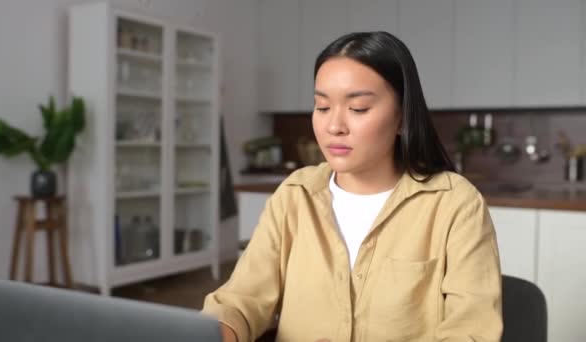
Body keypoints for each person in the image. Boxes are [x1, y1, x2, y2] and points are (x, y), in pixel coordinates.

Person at [202, 31, 502, 342]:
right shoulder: (296, 195)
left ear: (402, 117)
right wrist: (216, 331)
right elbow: (241, 300)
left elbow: (471, 331)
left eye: (358, 108)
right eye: (322, 107)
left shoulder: (453, 203)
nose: (334, 126)